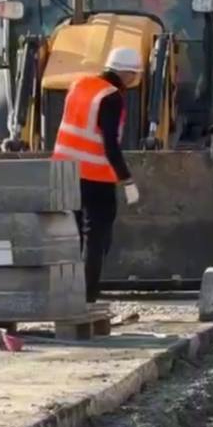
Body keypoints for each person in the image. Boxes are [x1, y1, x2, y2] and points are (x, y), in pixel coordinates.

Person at [52, 47, 142, 303]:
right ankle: (88, 295)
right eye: (133, 75)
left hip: (64, 170)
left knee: (73, 234)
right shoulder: (111, 96)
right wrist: (127, 179)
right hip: (95, 175)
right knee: (96, 236)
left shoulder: (79, 84)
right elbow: (110, 144)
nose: (133, 80)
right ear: (125, 73)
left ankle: (68, 293)